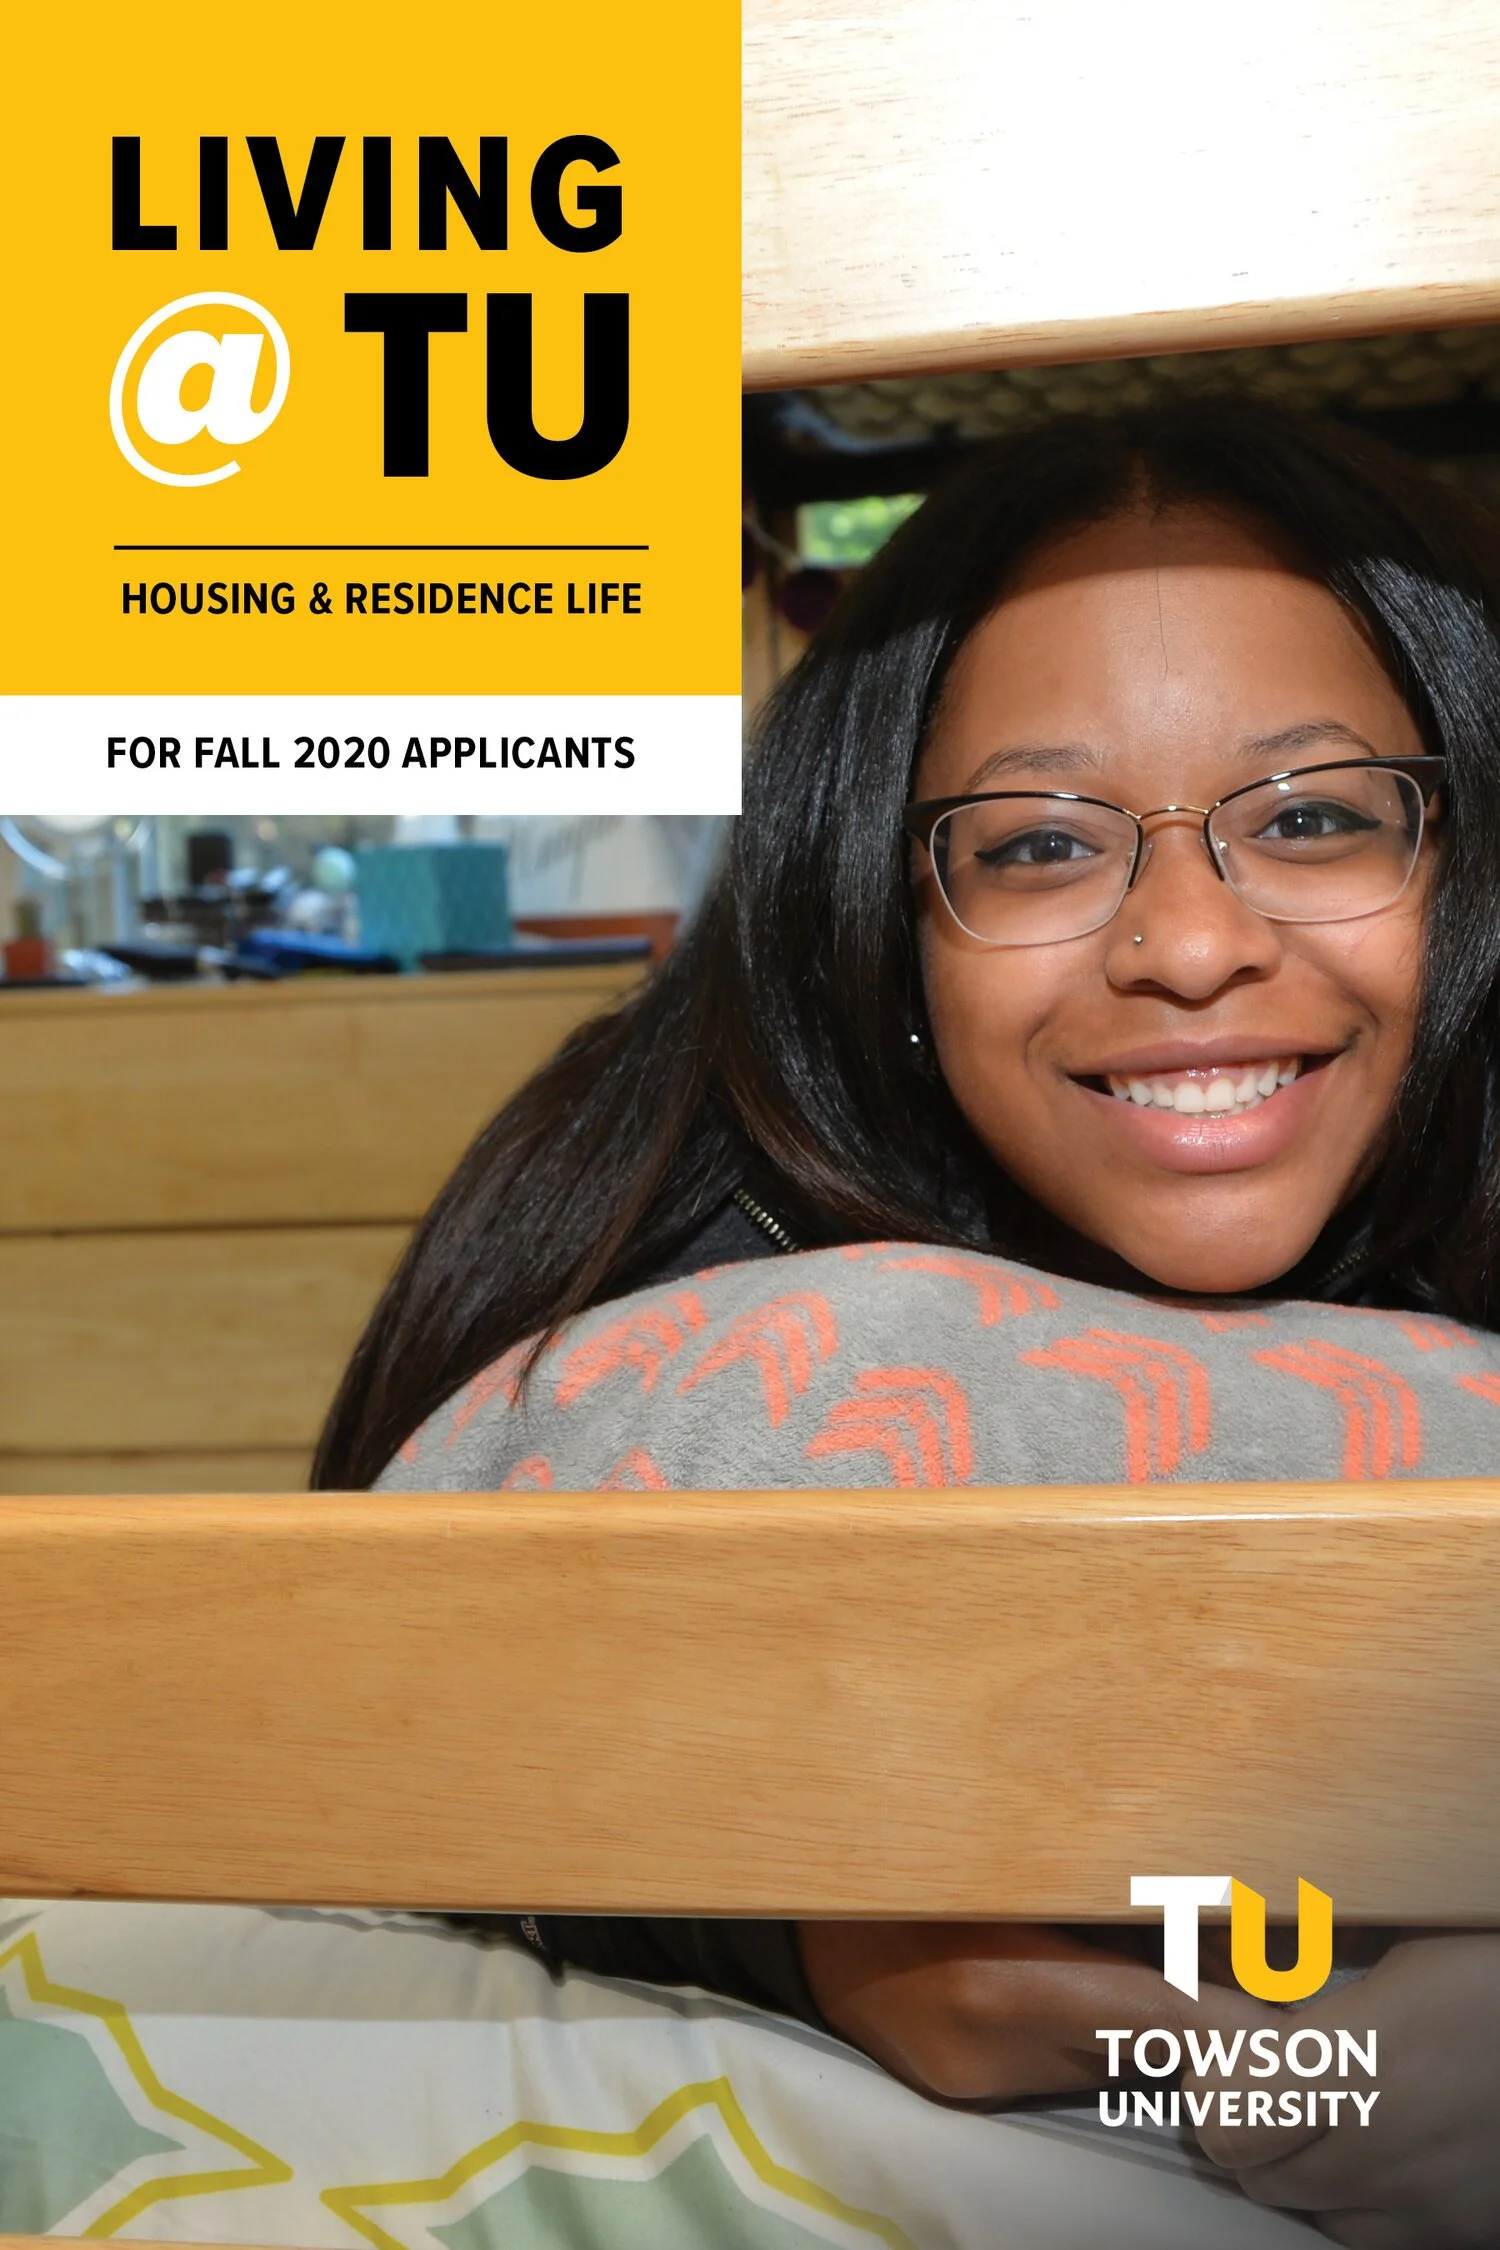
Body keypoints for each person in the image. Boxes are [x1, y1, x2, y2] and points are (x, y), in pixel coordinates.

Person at [315, 397, 1500, 2247]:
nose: (1190, 943)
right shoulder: (672, 1228)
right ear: (888, 913)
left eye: (1316, 817)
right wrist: (790, 1930)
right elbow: (365, 1759)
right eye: (1036, 847)